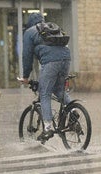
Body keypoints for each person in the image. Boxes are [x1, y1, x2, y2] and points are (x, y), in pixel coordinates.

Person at [20, 13, 72, 142]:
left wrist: (26, 76)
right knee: (59, 90)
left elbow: (27, 56)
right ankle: (73, 111)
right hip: (66, 59)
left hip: (51, 62)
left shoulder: (29, 32)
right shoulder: (53, 28)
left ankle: (48, 128)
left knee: (44, 93)